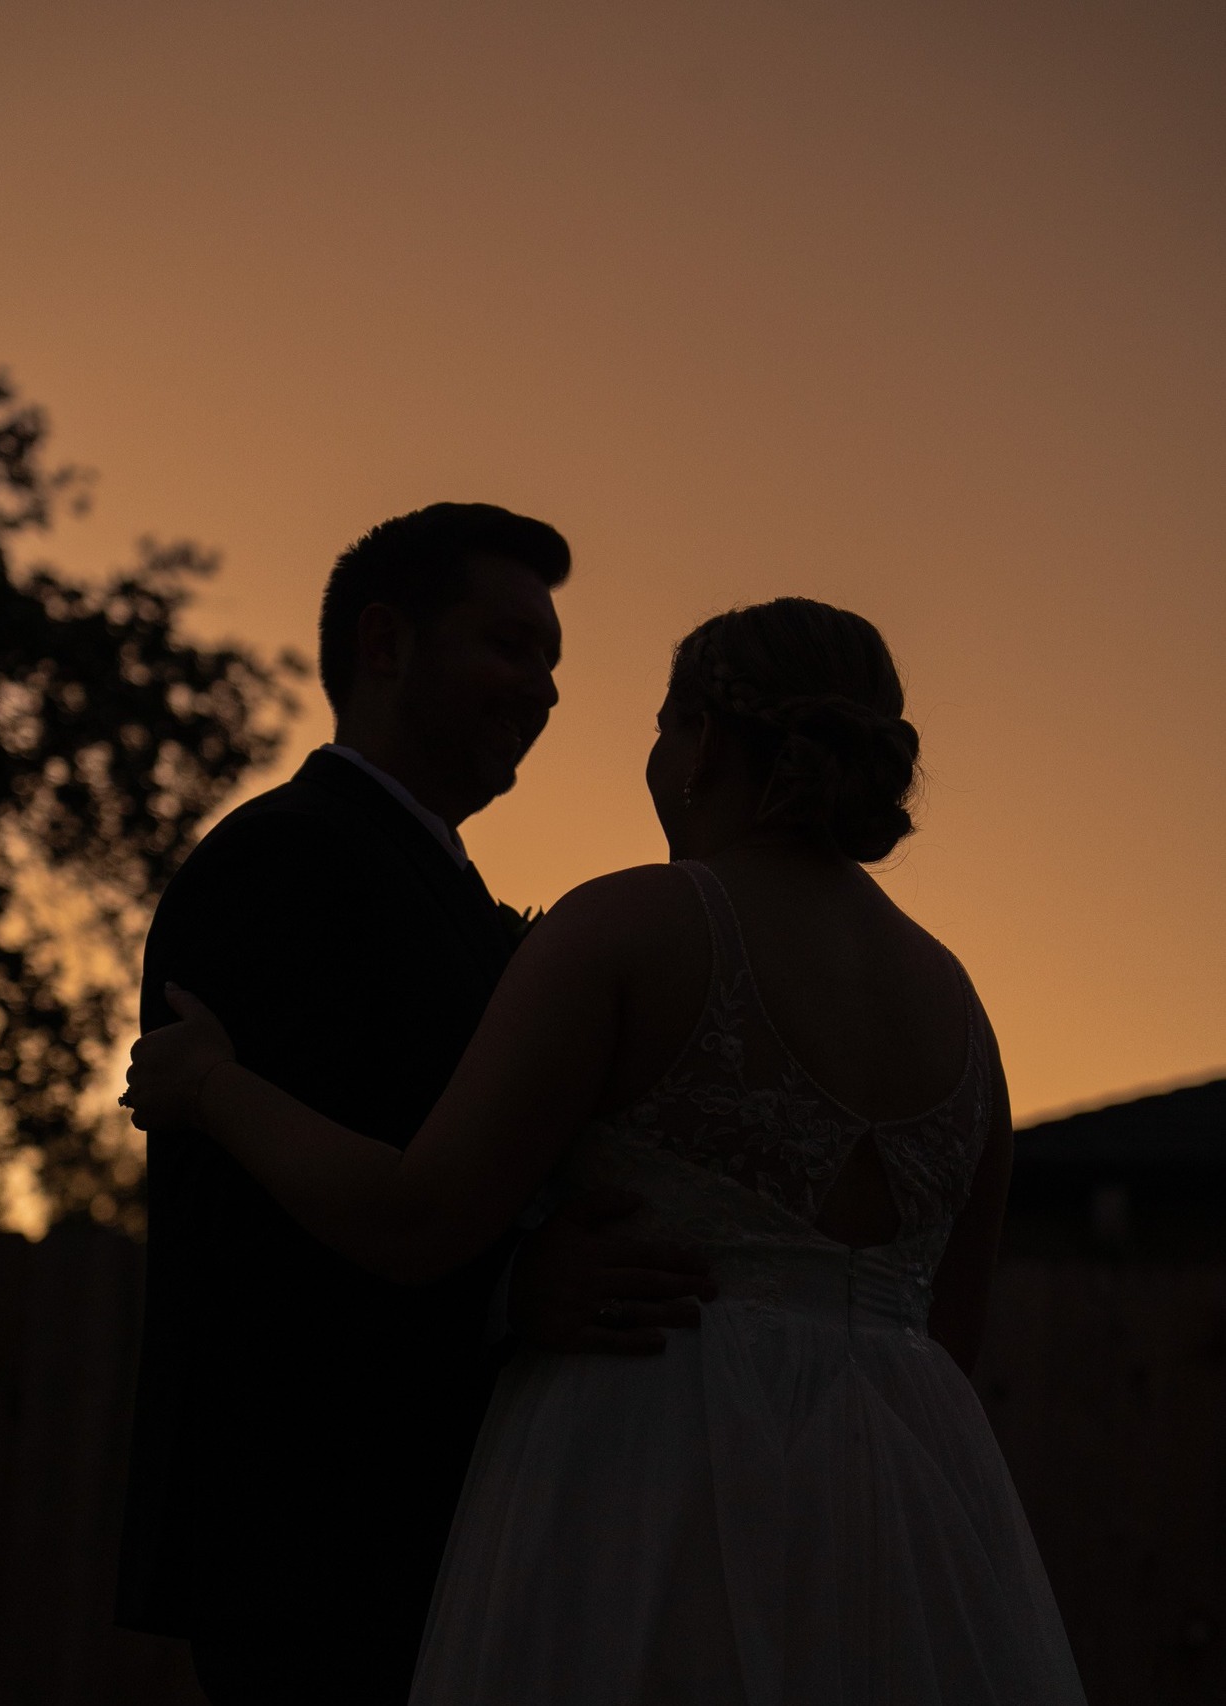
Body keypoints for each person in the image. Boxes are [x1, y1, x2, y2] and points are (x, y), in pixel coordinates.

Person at [123, 596, 1088, 1705]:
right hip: (904, 1518)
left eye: (665, 727)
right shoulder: (959, 1006)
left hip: (645, 1481)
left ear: (706, 744)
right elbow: (949, 1331)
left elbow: (413, 1218)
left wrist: (211, 1086)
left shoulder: (636, 926)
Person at [115, 503, 713, 1706]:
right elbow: (251, 1235)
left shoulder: (427, 882)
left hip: (432, 1523)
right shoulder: (278, 864)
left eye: (553, 664)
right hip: (315, 1536)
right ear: (384, 644)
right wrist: (505, 1293)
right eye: (509, 647)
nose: (543, 691)